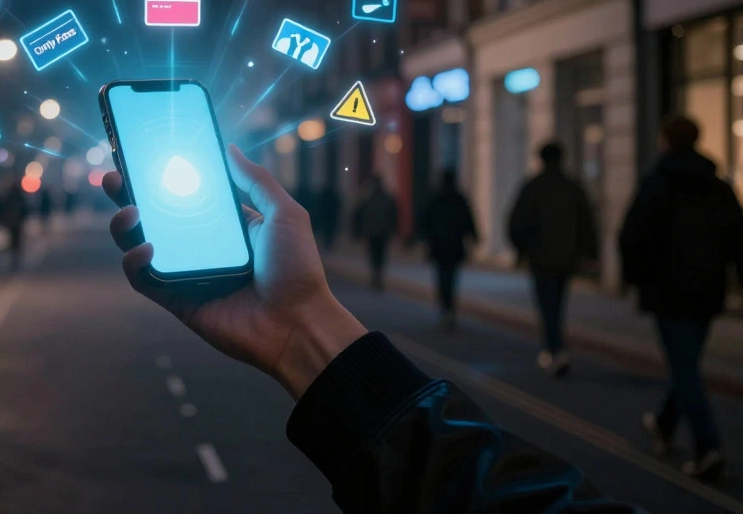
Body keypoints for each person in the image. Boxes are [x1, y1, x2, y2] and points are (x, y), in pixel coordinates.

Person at [101, 145, 635, 513]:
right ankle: (556, 341)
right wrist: (303, 317)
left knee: (536, 301)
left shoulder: (529, 191)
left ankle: (549, 337)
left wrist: (303, 321)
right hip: (562, 263)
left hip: (537, 261)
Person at [619, 116, 743, 481]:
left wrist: (632, 279)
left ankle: (707, 445)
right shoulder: (717, 187)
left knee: (684, 368)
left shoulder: (656, 184)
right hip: (707, 290)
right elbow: (741, 243)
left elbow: (631, 236)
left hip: (668, 292)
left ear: (666, 140)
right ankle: (665, 425)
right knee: (686, 364)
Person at [508, 142, 597, 377]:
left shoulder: (533, 187)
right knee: (557, 302)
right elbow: (587, 222)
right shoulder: (572, 187)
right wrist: (589, 253)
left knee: (547, 305)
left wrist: (522, 249)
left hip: (541, 257)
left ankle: (553, 349)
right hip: (566, 258)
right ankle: (556, 348)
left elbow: (517, 222)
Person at [418, 169, 478, 330]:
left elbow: (425, 221)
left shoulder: (435, 198)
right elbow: (468, 219)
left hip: (439, 246)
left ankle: (445, 309)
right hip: (454, 246)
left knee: (442, 278)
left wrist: (423, 238)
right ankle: (449, 309)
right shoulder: (459, 198)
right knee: (451, 278)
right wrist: (474, 237)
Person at [350, 174, 397, 291]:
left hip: (371, 232)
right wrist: (393, 230)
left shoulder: (366, 198)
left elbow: (357, 216)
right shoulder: (387, 198)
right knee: (381, 255)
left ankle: (375, 276)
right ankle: (378, 276)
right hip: (383, 232)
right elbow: (394, 215)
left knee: (373, 255)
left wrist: (356, 232)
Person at [0, 179, 28, 270]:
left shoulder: (9, 196)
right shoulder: (19, 196)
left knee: (13, 238)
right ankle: (15, 254)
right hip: (17, 222)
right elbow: (25, 208)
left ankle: (14, 254)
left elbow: (3, 207)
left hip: (12, 221)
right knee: (16, 238)